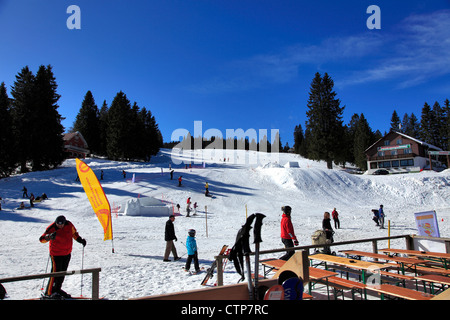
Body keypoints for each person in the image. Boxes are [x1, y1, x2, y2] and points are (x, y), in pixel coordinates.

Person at [39, 215, 86, 299]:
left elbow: (74, 233)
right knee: (55, 274)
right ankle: (49, 293)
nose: (59, 226)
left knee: (62, 273)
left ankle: (57, 289)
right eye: (58, 224)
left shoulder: (69, 225)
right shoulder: (52, 228)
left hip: (67, 253)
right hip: (56, 254)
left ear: (64, 223)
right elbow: (42, 239)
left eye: (61, 224)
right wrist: (49, 237)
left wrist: (80, 240)